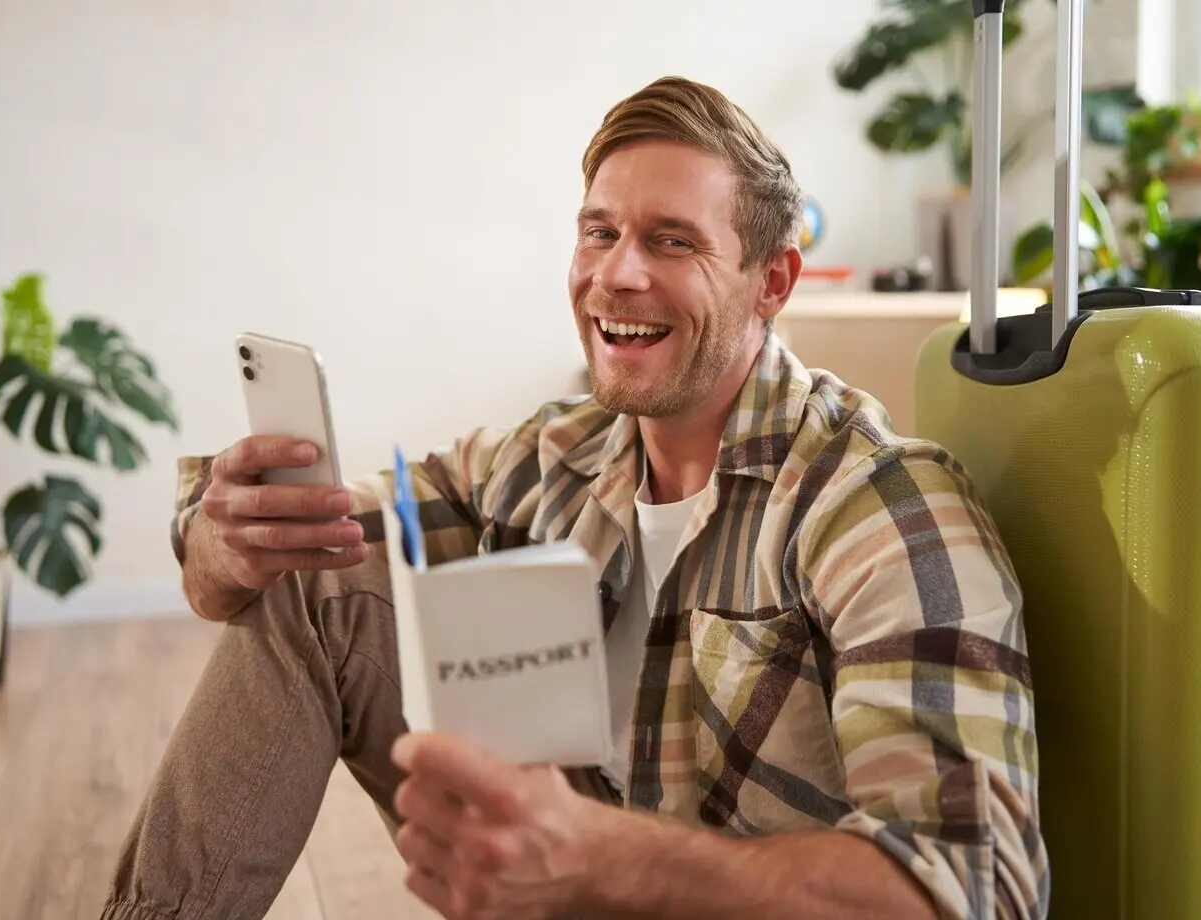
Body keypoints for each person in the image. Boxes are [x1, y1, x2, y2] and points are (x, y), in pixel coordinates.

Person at [101, 76, 1047, 920]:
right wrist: (224, 540)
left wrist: (599, 858)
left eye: (671, 241)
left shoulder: (877, 506)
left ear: (773, 282)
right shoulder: (557, 453)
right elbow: (271, 556)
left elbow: (971, 891)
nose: (617, 274)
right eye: (600, 231)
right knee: (318, 574)